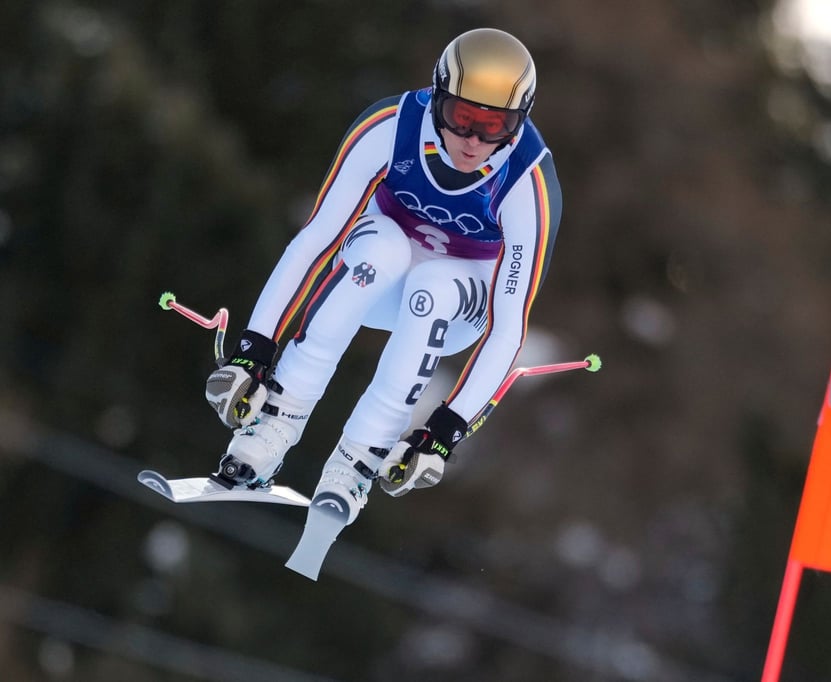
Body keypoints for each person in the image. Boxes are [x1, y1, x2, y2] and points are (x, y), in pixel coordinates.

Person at [203, 28, 562, 529]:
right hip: (373, 271)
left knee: (433, 287)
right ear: (438, 94)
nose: (475, 142)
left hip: (457, 300)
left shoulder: (528, 182)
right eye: (462, 119)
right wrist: (254, 348)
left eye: (496, 126)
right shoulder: (391, 126)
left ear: (520, 120)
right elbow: (317, 239)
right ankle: (273, 422)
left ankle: (357, 462)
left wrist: (445, 430)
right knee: (383, 248)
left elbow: (509, 326)